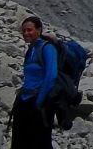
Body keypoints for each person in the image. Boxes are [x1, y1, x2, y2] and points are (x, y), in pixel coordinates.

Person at [12, 16, 58, 149]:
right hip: (25, 101)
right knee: (19, 141)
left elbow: (51, 76)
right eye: (24, 30)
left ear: (39, 30)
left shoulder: (48, 48)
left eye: (29, 30)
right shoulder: (31, 49)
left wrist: (39, 102)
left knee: (39, 142)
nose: (26, 33)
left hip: (40, 103)